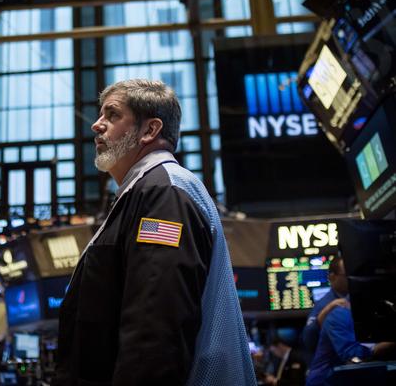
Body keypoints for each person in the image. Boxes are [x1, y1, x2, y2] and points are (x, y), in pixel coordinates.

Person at [53, 79, 255, 386]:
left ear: (150, 130)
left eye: (112, 115)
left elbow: (155, 329)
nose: (96, 125)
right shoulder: (148, 190)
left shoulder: (164, 194)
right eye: (100, 115)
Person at [306, 295, 394, 386]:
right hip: (329, 379)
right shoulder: (340, 313)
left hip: (368, 376)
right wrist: (389, 344)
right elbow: (351, 355)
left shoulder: (381, 309)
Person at [301, 256, 349, 365]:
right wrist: (324, 314)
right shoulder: (324, 304)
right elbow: (308, 339)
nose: (350, 278)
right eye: (346, 275)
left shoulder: (356, 296)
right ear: (332, 277)